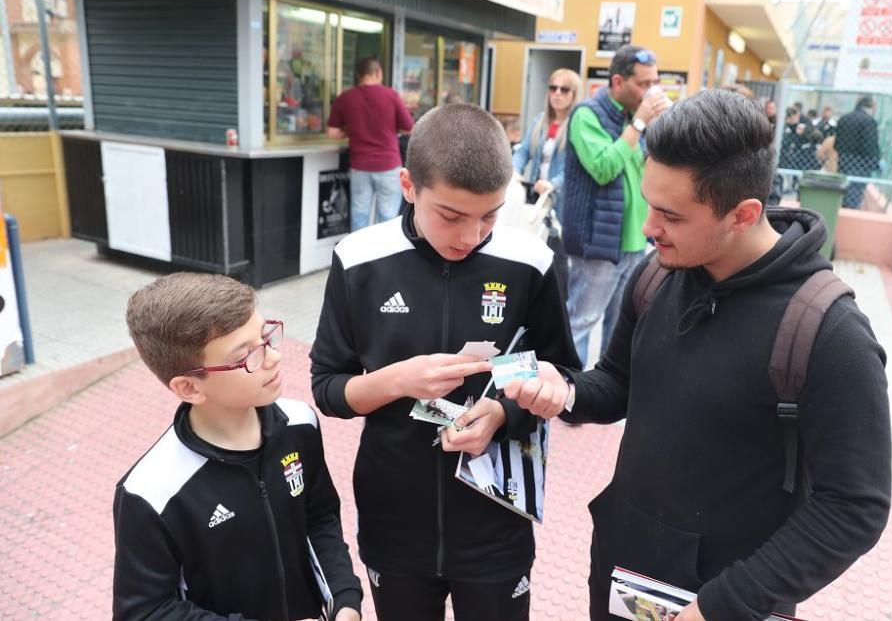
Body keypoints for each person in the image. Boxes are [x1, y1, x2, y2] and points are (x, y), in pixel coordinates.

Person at [504, 90, 892, 620]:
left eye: (671, 215)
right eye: (648, 202)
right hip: (625, 573)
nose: (647, 228)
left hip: (730, 599)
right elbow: (618, 382)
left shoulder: (828, 331)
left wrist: (725, 604)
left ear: (743, 213)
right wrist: (564, 389)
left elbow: (854, 507)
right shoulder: (657, 276)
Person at [310, 102, 580, 621]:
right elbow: (327, 388)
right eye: (451, 216)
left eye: (491, 215)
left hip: (496, 518)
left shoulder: (531, 262)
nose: (470, 236)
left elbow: (559, 373)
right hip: (395, 519)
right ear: (408, 185)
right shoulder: (358, 259)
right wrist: (394, 381)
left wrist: (503, 412)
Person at [113, 273, 362, 621]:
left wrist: (344, 597)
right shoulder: (150, 492)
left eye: (265, 337)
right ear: (189, 388)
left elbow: (319, 518)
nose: (273, 357)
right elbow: (146, 611)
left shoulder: (300, 424)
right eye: (247, 356)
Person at [562, 45, 669, 366]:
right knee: (582, 321)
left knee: (621, 326)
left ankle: (602, 391)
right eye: (643, 84)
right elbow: (604, 167)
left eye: (654, 83)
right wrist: (638, 124)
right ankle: (568, 392)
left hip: (636, 240)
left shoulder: (637, 119)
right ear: (618, 81)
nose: (650, 91)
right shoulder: (587, 115)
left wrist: (658, 127)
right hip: (598, 243)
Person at [327, 56, 414, 231]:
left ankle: (359, 257)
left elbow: (332, 133)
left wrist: (350, 130)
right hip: (388, 165)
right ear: (378, 72)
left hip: (360, 166)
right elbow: (409, 128)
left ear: (359, 75)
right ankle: (384, 257)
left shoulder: (346, 97)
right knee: (388, 217)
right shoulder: (391, 95)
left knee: (360, 214)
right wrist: (391, 128)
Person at [512, 68, 583, 220]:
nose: (557, 93)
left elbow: (576, 167)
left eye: (564, 90)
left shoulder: (578, 125)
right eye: (553, 88)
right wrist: (514, 170)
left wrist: (553, 184)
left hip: (562, 201)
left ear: (574, 95)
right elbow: (523, 151)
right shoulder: (539, 121)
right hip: (537, 198)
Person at [835, 96, 881, 208]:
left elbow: (837, 143)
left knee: (843, 190)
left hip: (844, 160)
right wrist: (875, 162)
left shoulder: (844, 118)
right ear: (870, 106)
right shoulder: (869, 121)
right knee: (855, 192)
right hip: (861, 163)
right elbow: (870, 145)